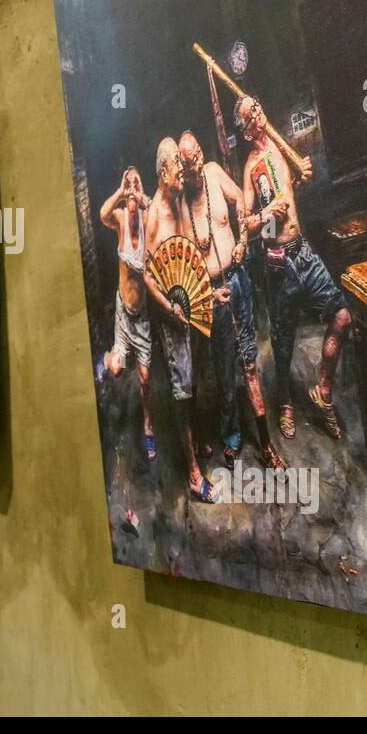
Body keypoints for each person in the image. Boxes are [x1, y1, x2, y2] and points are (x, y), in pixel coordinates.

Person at [235, 95, 351, 441]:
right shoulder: (251, 167)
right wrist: (267, 219)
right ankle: (285, 402)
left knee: (342, 317)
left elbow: (290, 193)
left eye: (257, 106)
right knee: (283, 346)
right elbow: (246, 225)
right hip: (279, 266)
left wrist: (301, 179)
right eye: (249, 114)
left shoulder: (282, 148)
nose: (258, 113)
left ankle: (323, 393)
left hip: (305, 255)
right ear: (244, 131)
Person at [178, 132, 284, 470]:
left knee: (249, 363)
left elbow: (241, 201)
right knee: (224, 371)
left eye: (196, 154)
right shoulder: (179, 203)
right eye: (187, 160)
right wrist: (208, 293)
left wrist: (241, 241)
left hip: (237, 281)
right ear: (179, 167)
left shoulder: (213, 173)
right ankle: (232, 437)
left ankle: (266, 444)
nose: (195, 162)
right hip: (212, 293)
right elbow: (180, 265)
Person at [144, 138, 218, 502]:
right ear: (163, 173)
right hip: (170, 316)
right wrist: (168, 308)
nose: (181, 173)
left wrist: (207, 293)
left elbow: (189, 258)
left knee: (194, 382)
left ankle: (199, 439)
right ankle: (191, 472)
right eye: (177, 167)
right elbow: (147, 273)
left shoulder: (177, 201)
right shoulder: (154, 214)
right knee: (181, 388)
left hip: (190, 310)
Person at [94, 167, 158, 461]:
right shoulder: (119, 219)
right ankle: (104, 360)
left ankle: (148, 427)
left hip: (142, 316)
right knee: (118, 369)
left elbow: (157, 208)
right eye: (127, 182)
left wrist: (142, 196)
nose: (131, 188)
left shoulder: (146, 220)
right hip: (123, 313)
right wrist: (122, 191)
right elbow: (102, 214)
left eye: (136, 182)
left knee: (145, 379)